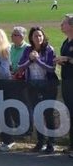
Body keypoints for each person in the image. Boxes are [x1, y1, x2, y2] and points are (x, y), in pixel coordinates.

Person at [18, 26, 58, 154]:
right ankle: (40, 141)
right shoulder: (28, 50)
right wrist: (30, 60)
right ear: (31, 38)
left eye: (40, 35)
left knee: (48, 114)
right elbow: (20, 67)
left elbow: (51, 69)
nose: (38, 38)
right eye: (35, 36)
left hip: (48, 87)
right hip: (32, 86)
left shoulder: (49, 50)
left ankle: (51, 143)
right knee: (37, 114)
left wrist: (38, 60)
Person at [55, 14, 73, 156]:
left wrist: (67, 58)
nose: (61, 25)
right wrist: (62, 61)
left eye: (64, 23)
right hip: (67, 82)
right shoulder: (66, 42)